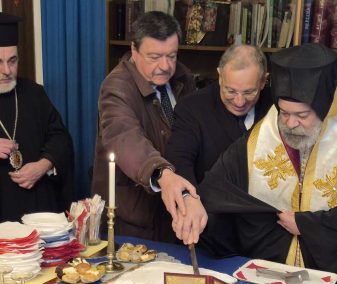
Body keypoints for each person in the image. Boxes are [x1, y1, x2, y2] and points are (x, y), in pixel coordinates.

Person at [173, 43, 337, 279]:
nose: (289, 124)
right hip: (271, 270)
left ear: (325, 108)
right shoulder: (266, 132)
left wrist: (309, 225)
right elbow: (220, 184)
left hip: (333, 270)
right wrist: (195, 203)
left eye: (302, 115)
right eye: (284, 112)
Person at [91, 11, 205, 242]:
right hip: (134, 217)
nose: (165, 66)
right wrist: (161, 173)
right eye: (154, 57)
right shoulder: (116, 86)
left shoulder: (182, 76)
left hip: (176, 211)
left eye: (171, 56)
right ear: (134, 50)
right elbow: (125, 137)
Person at [166, 44, 273, 251]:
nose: (240, 101)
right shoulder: (193, 108)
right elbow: (179, 159)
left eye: (249, 92)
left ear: (263, 81)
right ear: (219, 76)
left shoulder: (278, 107)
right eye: (230, 91)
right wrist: (188, 199)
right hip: (211, 231)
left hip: (266, 234)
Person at [0, 12, 74, 221]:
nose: (7, 70)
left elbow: (61, 139)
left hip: (40, 214)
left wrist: (45, 164)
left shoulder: (34, 93)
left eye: (12, 61)